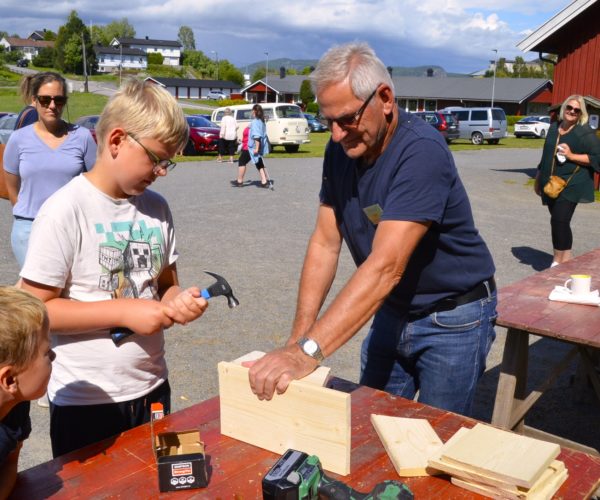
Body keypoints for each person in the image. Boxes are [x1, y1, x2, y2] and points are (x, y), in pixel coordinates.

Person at [247, 42, 497, 416]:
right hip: (392, 310)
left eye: (346, 119)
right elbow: (324, 244)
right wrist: (297, 340)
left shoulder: (421, 153)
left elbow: (385, 266)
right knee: (369, 424)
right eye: (327, 120)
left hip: (452, 317)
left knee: (436, 437)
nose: (335, 134)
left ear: (384, 98)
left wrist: (308, 354)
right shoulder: (342, 149)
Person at [19, 78, 209, 458]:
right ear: (117, 141)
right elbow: (37, 309)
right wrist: (124, 311)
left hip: (152, 387)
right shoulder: (64, 210)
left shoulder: (157, 209)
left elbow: (165, 284)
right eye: (156, 159)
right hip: (86, 401)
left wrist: (178, 300)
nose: (162, 172)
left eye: (168, 162)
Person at [3, 71, 97, 269]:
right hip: (28, 227)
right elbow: (11, 183)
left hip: (70, 226)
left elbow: (96, 181)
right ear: (34, 100)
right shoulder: (18, 139)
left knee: (68, 291)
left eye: (59, 100)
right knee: (36, 293)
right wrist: (24, 210)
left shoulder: (82, 137)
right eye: (45, 100)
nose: (52, 106)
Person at [534, 95, 600, 267]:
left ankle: (558, 260)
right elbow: (546, 154)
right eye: (569, 108)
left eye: (576, 110)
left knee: (559, 220)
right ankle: (565, 258)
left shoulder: (584, 133)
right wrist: (538, 177)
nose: (572, 112)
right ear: (564, 108)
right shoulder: (554, 128)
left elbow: (597, 157)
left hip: (573, 183)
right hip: (551, 183)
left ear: (581, 114)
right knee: (559, 222)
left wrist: (571, 156)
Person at [0, 287, 54, 498]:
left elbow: (9, 463)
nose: (54, 356)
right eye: (47, 353)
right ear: (10, 380)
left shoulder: (17, 405)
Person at [237, 104, 270, 188]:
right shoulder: (260, 121)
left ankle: (239, 181)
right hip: (254, 145)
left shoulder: (256, 122)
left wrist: (256, 148)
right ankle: (264, 180)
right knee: (258, 162)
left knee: (242, 161)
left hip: (251, 147)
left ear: (254, 111)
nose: (251, 112)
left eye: (252, 110)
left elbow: (257, 136)